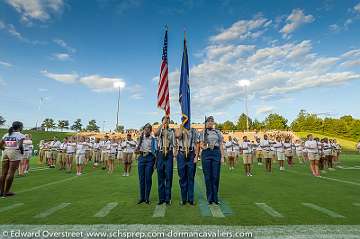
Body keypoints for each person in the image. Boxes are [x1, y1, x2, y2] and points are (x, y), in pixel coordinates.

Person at [199, 116, 224, 205]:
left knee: (216, 176)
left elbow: (221, 144)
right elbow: (201, 144)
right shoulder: (202, 132)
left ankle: (215, 197)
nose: (210, 123)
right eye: (208, 121)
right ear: (205, 123)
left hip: (216, 153)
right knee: (208, 177)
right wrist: (205, 147)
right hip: (206, 153)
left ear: (213, 123)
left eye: (211, 121)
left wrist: (222, 157)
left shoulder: (218, 132)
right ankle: (210, 198)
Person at [0, 121, 25, 197]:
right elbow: (20, 146)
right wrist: (22, 152)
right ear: (20, 127)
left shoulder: (6, 134)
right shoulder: (20, 135)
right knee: (11, 172)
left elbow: (0, 144)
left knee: (3, 173)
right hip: (14, 153)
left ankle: (1, 192)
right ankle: (6, 192)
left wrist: (5, 149)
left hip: (5, 152)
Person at [175, 126, 198, 205]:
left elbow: (196, 143)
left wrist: (196, 156)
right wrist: (182, 127)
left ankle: (191, 199)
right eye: (183, 119)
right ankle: (183, 198)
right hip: (181, 154)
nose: (185, 120)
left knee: (191, 177)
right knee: (182, 177)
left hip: (191, 154)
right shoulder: (179, 129)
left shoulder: (193, 130)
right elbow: (177, 136)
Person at [155, 116, 176, 205]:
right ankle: (161, 198)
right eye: (164, 120)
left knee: (168, 176)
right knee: (160, 177)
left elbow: (174, 143)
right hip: (160, 153)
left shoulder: (172, 131)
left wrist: (174, 155)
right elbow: (156, 133)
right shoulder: (160, 130)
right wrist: (162, 124)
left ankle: (168, 198)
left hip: (169, 153)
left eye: (167, 120)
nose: (166, 122)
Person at [135, 123, 156, 205]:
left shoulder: (153, 139)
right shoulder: (140, 138)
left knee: (148, 178)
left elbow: (155, 152)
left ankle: (147, 198)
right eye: (145, 129)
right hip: (141, 158)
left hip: (150, 158)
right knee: (141, 179)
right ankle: (142, 197)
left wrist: (155, 163)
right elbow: (136, 151)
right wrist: (140, 142)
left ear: (150, 131)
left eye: (148, 129)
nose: (146, 131)